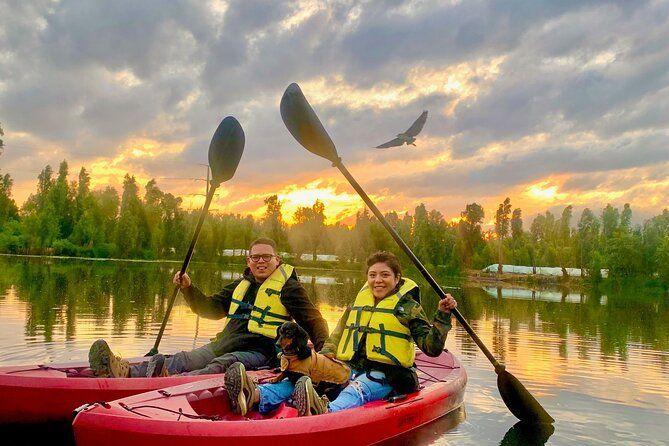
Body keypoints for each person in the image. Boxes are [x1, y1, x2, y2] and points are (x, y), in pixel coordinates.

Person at [88, 237, 329, 378]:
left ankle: (168, 384)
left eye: (267, 257)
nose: (261, 261)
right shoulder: (240, 285)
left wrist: (324, 355)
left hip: (260, 353)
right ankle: (126, 373)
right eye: (255, 257)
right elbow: (210, 309)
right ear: (248, 261)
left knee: (221, 365)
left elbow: (314, 321)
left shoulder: (289, 289)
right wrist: (188, 288)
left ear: (278, 260)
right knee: (184, 358)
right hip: (223, 344)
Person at [290, 250, 457, 416]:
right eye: (372, 275)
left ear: (397, 278)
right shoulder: (358, 303)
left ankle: (325, 412)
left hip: (388, 374)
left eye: (385, 275)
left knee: (356, 390)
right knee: (302, 371)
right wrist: (325, 357)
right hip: (352, 366)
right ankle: (265, 397)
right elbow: (337, 335)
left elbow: (432, 348)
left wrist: (442, 315)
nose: (378, 280)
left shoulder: (409, 308)